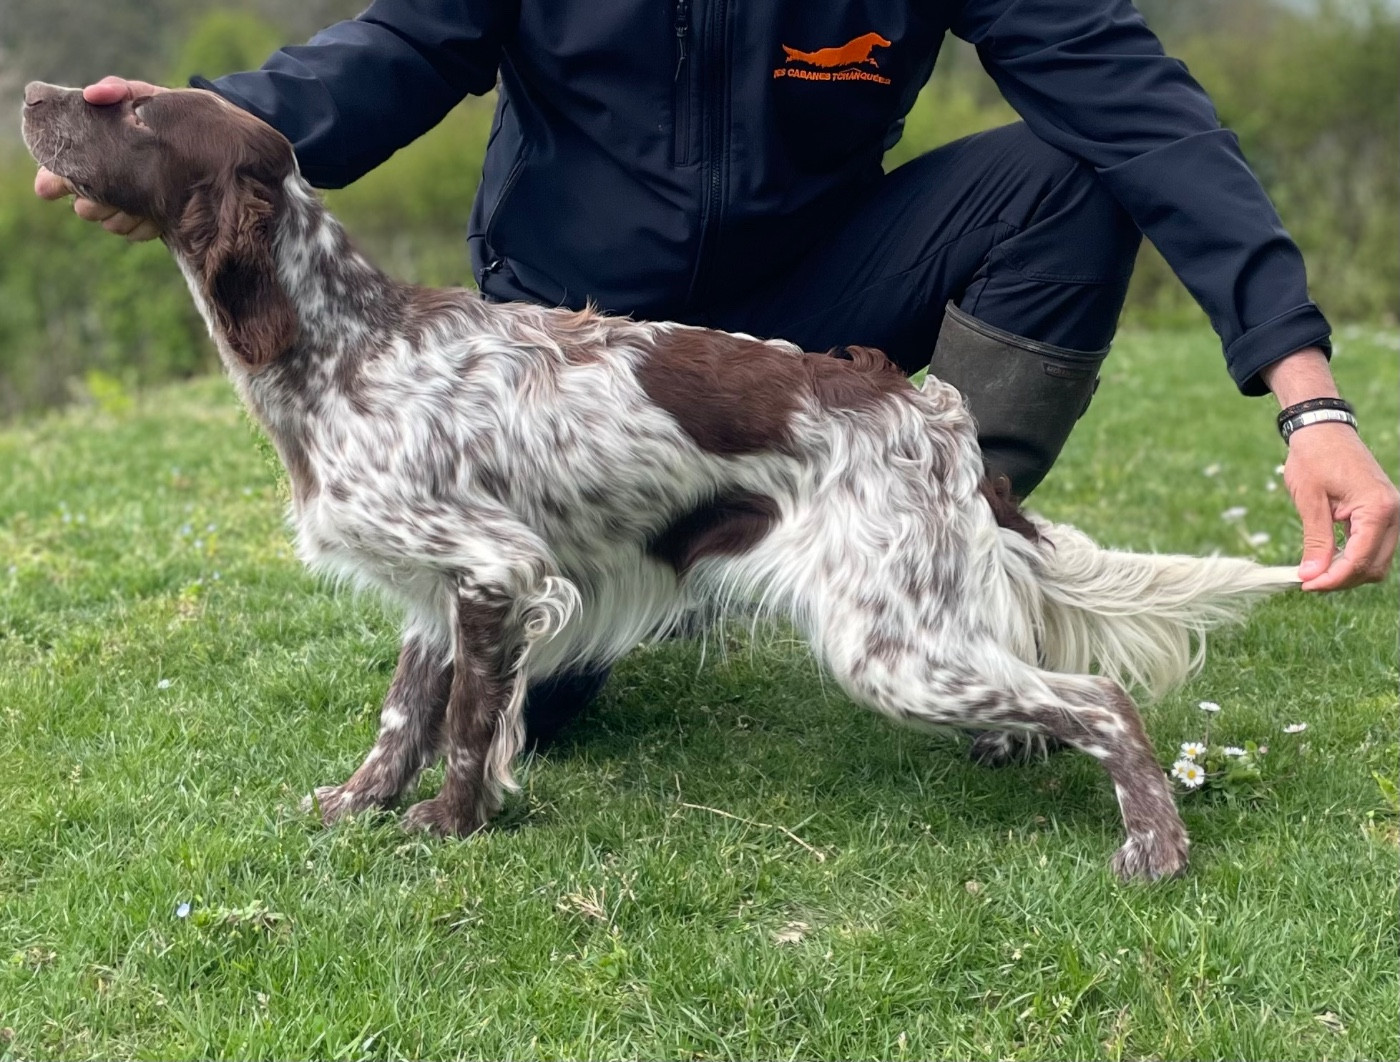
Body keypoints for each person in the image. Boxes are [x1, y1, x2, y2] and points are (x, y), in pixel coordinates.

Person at [35, 1, 1398, 748]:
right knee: (532, 704)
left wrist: (1308, 390)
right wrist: (184, 136)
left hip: (804, 316)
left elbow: (1142, 108)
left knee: (1067, 179)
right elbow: (395, 50)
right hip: (572, 360)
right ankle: (680, 553)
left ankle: (947, 579)